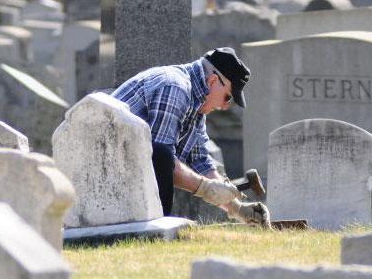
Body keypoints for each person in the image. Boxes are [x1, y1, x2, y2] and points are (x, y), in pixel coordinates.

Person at [111, 47, 271, 227]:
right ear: (212, 80)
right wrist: (205, 188)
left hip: (123, 166)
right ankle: (155, 230)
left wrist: (238, 209)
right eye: (227, 97)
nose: (226, 106)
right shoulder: (175, 88)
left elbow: (200, 161)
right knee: (162, 156)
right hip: (105, 168)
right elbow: (158, 158)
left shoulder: (197, 106)